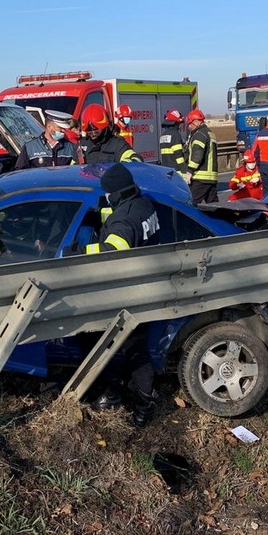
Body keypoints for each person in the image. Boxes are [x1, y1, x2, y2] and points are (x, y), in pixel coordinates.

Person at [83, 163, 161, 425]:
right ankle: (122, 393)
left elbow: (113, 249)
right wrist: (96, 218)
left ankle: (143, 406)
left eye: (108, 193)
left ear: (116, 193)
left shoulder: (124, 219)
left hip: (131, 293)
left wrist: (80, 252)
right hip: (148, 284)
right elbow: (122, 222)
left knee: (133, 348)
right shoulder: (143, 204)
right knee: (132, 347)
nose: (106, 197)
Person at [14, 109, 79, 169]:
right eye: (59, 128)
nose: (63, 131)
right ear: (49, 127)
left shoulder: (71, 147)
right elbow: (20, 172)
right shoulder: (29, 148)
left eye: (64, 128)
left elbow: (78, 170)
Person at [183, 109, 218, 204]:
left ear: (196, 122)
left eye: (190, 124)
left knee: (190, 204)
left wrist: (189, 171)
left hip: (200, 177)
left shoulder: (199, 135)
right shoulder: (210, 133)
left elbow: (197, 155)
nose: (189, 127)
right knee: (214, 206)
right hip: (211, 177)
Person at [159, 109, 186, 174]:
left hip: (166, 170)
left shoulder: (163, 135)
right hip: (177, 171)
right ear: (176, 123)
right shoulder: (175, 134)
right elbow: (178, 155)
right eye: (179, 123)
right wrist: (184, 170)